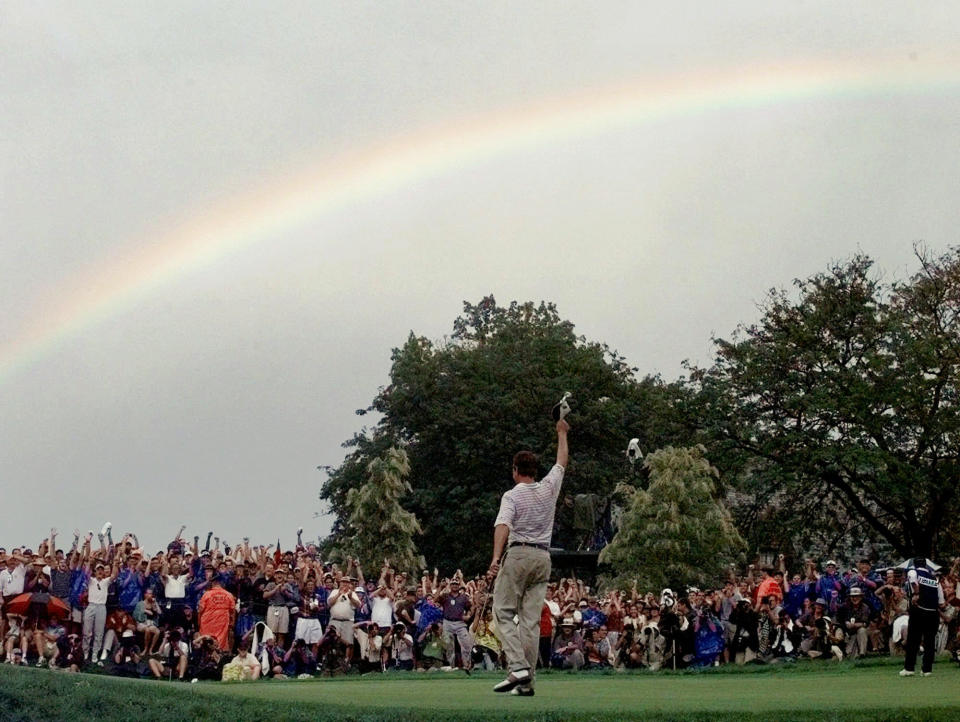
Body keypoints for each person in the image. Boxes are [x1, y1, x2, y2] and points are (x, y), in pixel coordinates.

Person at [489, 418, 569, 696]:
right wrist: (561, 433)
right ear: (535, 470)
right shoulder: (548, 488)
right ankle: (527, 683)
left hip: (519, 554)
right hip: (543, 557)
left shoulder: (512, 496)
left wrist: (495, 559)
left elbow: (503, 526)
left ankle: (517, 667)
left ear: (515, 470)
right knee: (530, 621)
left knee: (502, 611)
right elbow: (561, 463)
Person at [900, 557, 946, 677]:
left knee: (913, 640)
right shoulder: (935, 579)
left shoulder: (913, 571)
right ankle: (927, 670)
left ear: (914, 565)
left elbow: (913, 581)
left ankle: (909, 669)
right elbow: (941, 602)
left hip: (919, 611)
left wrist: (917, 594)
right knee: (929, 642)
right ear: (926, 566)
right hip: (933, 613)